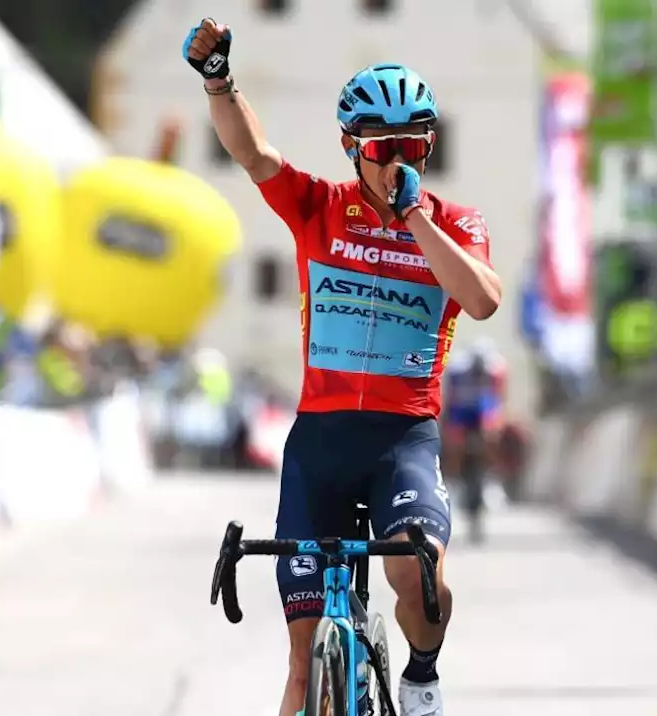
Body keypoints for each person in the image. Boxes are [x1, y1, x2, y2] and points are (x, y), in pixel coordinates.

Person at [184, 17, 502, 716]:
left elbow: (480, 300)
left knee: (419, 579)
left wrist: (413, 216)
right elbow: (254, 153)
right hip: (320, 444)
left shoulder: (454, 223)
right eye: (385, 148)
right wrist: (219, 82)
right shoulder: (320, 209)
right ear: (351, 148)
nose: (398, 163)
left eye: (413, 145)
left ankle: (420, 673)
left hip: (403, 441)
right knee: (301, 670)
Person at [441, 339, 507, 542]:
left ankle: (492, 476)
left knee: (493, 436)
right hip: (461, 410)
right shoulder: (457, 369)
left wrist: (495, 424)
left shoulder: (496, 369)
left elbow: (499, 399)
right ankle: (452, 481)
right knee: (454, 442)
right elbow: (449, 399)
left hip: (483, 408)